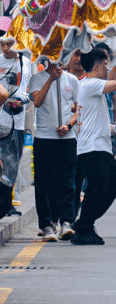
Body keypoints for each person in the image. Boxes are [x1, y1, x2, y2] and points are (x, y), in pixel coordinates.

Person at [72, 46, 116, 244]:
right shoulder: (90, 84)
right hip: (94, 148)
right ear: (96, 66)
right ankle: (83, 229)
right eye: (105, 64)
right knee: (97, 190)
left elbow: (94, 120)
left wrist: (114, 128)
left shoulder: (90, 85)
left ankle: (83, 223)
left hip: (99, 146)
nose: (107, 68)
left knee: (112, 187)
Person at [28, 54, 80, 240]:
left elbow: (79, 108)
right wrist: (51, 79)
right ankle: (47, 224)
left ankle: (67, 221)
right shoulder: (37, 78)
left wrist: (69, 125)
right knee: (43, 183)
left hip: (66, 139)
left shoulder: (72, 80)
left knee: (67, 182)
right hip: (44, 138)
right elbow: (37, 102)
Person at [0, 33, 30, 219]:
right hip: (1, 120)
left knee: (12, 165)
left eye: (10, 44)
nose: (6, 48)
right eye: (2, 45)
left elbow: (26, 88)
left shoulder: (25, 62)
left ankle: (6, 203)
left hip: (16, 122)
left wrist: (22, 99)